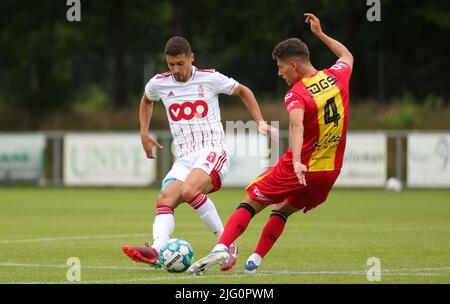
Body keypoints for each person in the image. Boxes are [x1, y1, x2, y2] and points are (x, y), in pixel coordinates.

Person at [188, 13, 353, 274]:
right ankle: (255, 259)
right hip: (329, 171)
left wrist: (297, 161)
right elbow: (347, 56)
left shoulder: (297, 94)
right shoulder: (337, 77)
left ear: (294, 65)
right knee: (283, 211)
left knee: (251, 202)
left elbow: (296, 125)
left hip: (300, 166)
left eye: (281, 67)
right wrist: (320, 34)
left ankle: (222, 246)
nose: (279, 72)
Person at [122, 36, 277, 271]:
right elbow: (146, 100)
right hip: (184, 157)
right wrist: (144, 134)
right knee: (164, 200)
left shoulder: (210, 78)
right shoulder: (159, 83)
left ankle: (227, 245)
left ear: (192, 58)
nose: (176, 70)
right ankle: (158, 249)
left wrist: (259, 121)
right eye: (171, 64)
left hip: (212, 150)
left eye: (181, 63)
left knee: (188, 190)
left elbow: (243, 91)